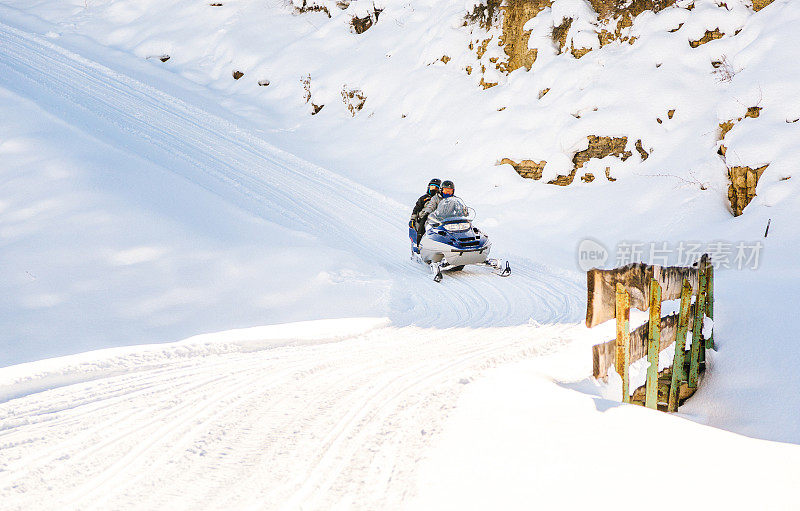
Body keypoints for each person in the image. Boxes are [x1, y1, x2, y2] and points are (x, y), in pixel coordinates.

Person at [411, 178, 441, 243]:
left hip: (437, 218)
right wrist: (413, 219)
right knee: (423, 223)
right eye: (432, 187)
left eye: (436, 188)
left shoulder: (440, 199)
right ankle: (419, 241)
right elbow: (416, 208)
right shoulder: (423, 198)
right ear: (428, 188)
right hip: (425, 216)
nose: (433, 189)